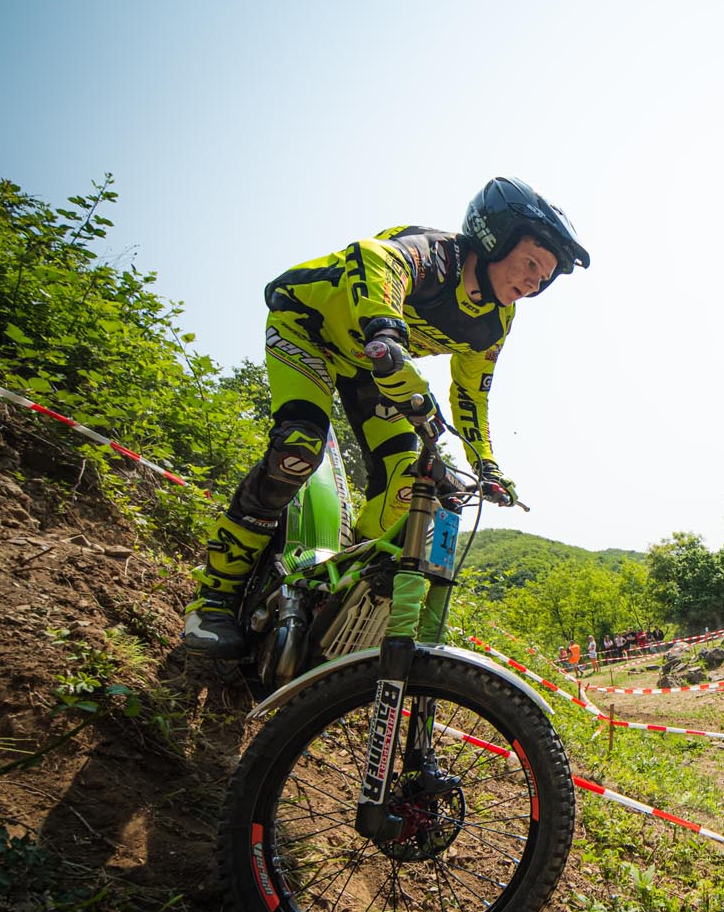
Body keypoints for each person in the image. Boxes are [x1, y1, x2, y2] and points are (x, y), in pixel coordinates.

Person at [181, 178, 590, 656]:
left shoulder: (497, 321)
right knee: (298, 448)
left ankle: (330, 597)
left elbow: (471, 394)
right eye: (532, 264)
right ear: (495, 238)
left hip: (370, 364)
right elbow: (373, 255)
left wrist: (487, 464)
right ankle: (213, 598)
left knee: (408, 482)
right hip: (307, 327)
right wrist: (386, 331)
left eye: (546, 277)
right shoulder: (438, 256)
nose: (536, 282)